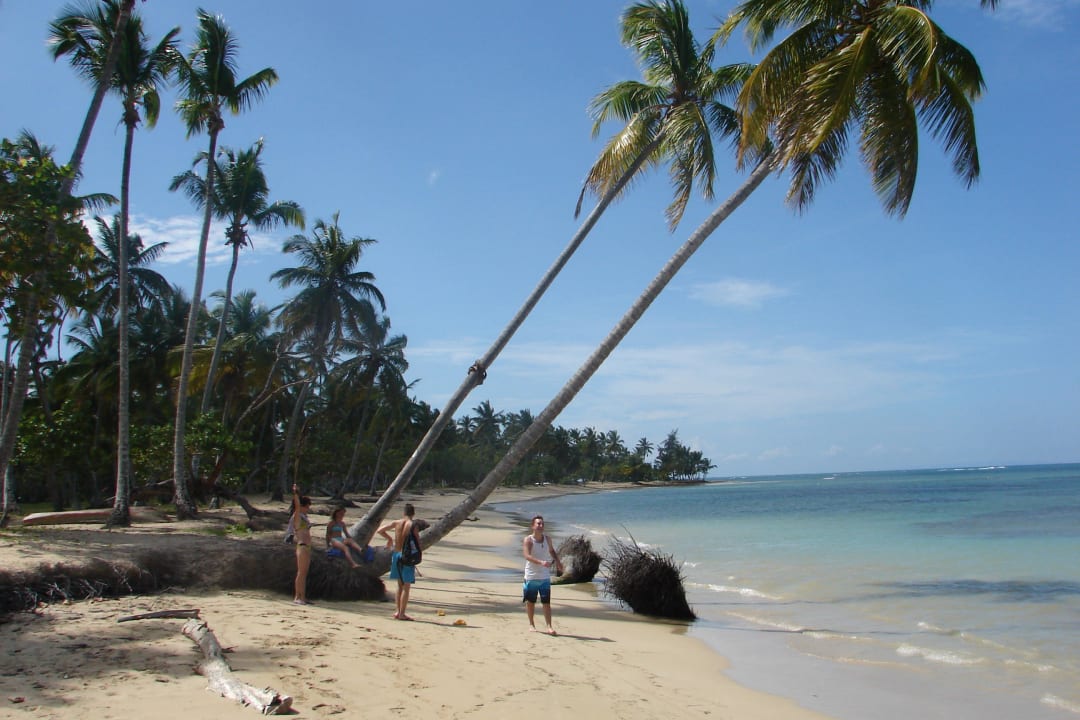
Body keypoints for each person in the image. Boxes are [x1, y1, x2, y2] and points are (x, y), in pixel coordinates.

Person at [377, 503, 421, 620]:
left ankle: (397, 612)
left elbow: (380, 530)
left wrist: (390, 539)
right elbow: (417, 541)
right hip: (407, 557)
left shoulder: (397, 523)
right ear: (413, 513)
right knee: (406, 587)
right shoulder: (412, 524)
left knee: (399, 585)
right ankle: (402, 613)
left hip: (396, 555)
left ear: (404, 513)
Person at [522, 514, 563, 635]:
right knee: (531, 602)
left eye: (542, 524)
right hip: (531, 575)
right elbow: (527, 556)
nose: (540, 526)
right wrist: (541, 562)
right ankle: (531, 624)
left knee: (546, 602)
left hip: (544, 576)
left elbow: (551, 551)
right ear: (533, 526)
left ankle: (549, 626)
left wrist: (559, 562)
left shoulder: (547, 539)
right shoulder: (528, 540)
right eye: (538, 523)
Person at [291, 484, 313, 605]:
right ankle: (297, 597)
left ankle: (303, 596)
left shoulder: (304, 517)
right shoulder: (297, 516)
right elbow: (297, 506)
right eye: (307, 506)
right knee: (301, 572)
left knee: (304, 573)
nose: (308, 508)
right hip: (302, 545)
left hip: (307, 546)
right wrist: (296, 493)